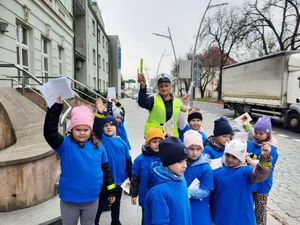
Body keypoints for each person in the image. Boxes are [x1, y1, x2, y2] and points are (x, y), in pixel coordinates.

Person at [43, 97, 116, 225]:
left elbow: (106, 170)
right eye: (78, 129)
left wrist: (111, 190)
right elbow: (50, 133)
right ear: (71, 129)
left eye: (86, 129)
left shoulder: (98, 146)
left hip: (92, 199)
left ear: (90, 130)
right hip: (70, 200)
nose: (82, 133)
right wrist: (56, 108)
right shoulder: (65, 145)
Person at [212, 139, 272, 225]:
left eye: (234, 157)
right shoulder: (217, 169)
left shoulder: (246, 171)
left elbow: (260, 174)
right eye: (228, 155)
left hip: (242, 216)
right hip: (222, 213)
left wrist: (264, 159)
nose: (229, 159)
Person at [93, 99, 132, 225]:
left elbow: (128, 161)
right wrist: (99, 114)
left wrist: (131, 177)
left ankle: (115, 221)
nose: (109, 127)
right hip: (105, 181)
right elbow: (97, 129)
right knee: (100, 206)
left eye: (111, 125)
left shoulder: (122, 142)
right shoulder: (102, 139)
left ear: (116, 127)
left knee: (116, 204)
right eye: (106, 125)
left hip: (120, 180)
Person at [144, 137, 192, 225]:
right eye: (180, 162)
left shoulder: (181, 179)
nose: (185, 165)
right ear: (168, 162)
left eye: (185, 160)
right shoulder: (158, 192)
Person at [246, 116, 279, 225]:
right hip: (250, 181)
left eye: (261, 133)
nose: (257, 135)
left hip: (263, 184)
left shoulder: (271, 149)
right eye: (256, 132)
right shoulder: (250, 143)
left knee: (260, 209)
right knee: (248, 206)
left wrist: (255, 159)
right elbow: (248, 155)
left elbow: (267, 164)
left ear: (268, 134)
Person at [129, 127, 165, 225]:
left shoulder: (165, 157)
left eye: (160, 142)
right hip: (146, 194)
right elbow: (135, 178)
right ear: (148, 143)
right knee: (146, 218)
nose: (157, 144)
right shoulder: (139, 160)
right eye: (154, 142)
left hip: (161, 195)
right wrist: (134, 194)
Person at [138, 72, 184, 137]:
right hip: (155, 137)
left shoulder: (178, 102)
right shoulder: (153, 99)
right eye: (161, 86)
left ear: (170, 86)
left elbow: (181, 121)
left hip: (172, 137)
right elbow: (142, 103)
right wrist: (143, 87)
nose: (164, 88)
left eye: (166, 86)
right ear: (158, 88)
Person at [183, 130, 213, 225]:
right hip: (182, 205)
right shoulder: (181, 164)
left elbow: (205, 191)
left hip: (199, 207)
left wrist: (187, 193)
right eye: (191, 149)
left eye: (198, 149)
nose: (195, 153)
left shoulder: (205, 168)